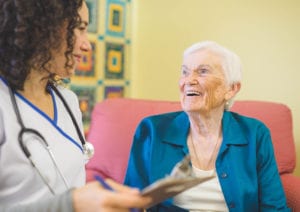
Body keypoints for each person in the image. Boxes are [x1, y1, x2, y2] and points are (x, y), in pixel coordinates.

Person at [0, 0, 151, 211]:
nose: (87, 45)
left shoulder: (68, 101)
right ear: (41, 28)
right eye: (78, 28)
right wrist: (72, 205)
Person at [124, 41, 290, 211]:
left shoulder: (255, 134)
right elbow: (132, 205)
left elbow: (274, 208)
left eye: (202, 72)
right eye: (185, 72)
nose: (189, 80)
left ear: (231, 88)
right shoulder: (152, 130)